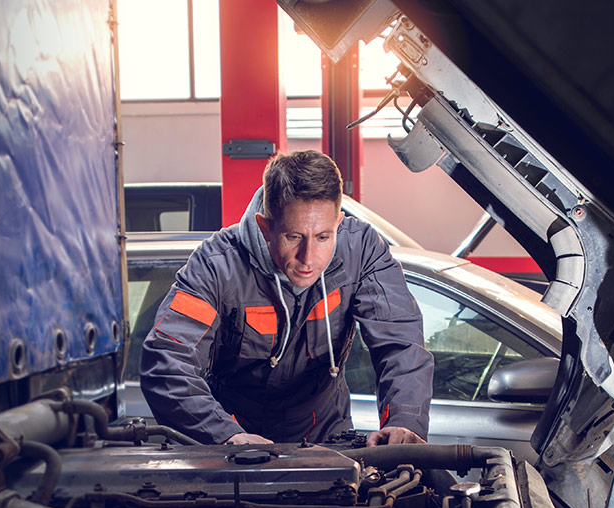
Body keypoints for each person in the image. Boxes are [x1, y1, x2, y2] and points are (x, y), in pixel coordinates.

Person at [140, 150, 433, 447]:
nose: (308, 258)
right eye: (293, 237)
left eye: (323, 237)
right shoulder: (216, 266)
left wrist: (403, 421)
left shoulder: (362, 251)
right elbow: (167, 360)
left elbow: (401, 344)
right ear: (266, 227)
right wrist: (225, 435)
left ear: (338, 222)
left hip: (328, 442)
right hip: (234, 446)